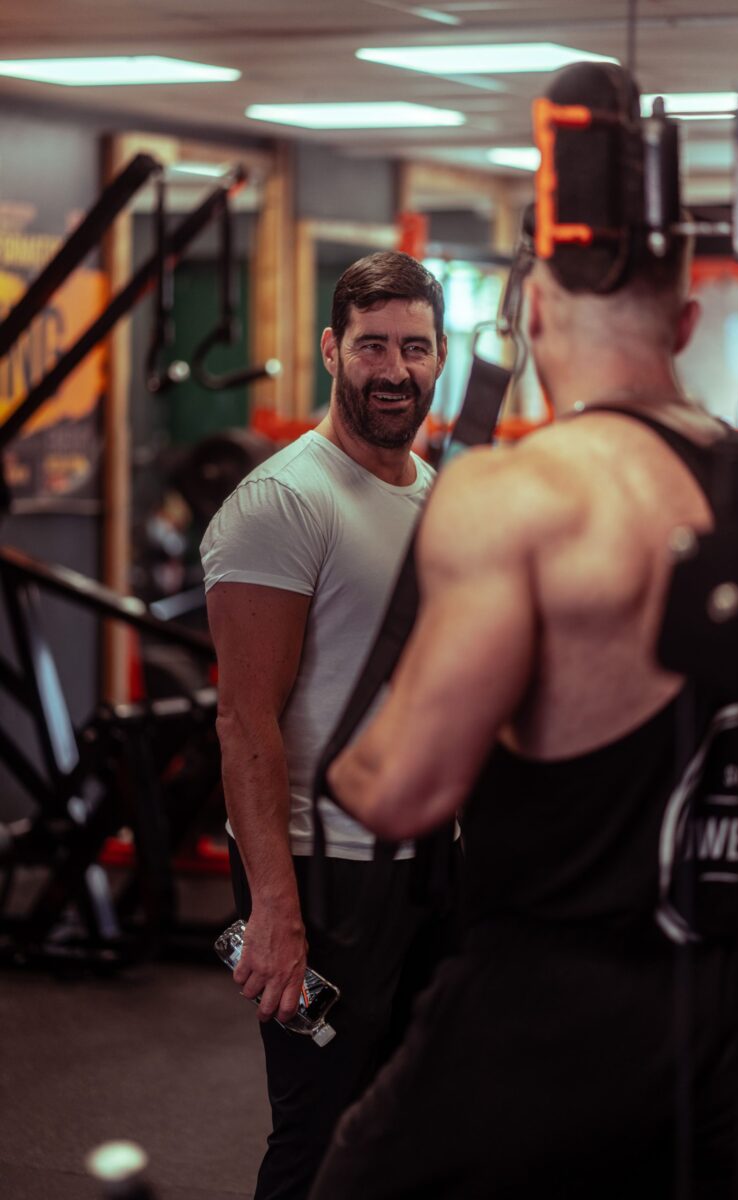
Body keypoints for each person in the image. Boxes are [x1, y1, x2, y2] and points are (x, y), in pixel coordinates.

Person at [308, 86, 738, 1199]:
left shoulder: (518, 493)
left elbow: (403, 791)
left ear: (531, 319)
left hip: (552, 1011)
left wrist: (339, 754)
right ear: (686, 325)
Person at [201, 251, 459, 1200]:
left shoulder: (433, 492)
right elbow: (244, 722)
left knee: (411, 1133)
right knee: (321, 1140)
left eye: (414, 348)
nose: (394, 370)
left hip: (427, 863)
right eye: (371, 346)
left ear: (441, 357)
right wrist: (272, 911)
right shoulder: (282, 502)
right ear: (330, 350)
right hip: (325, 870)